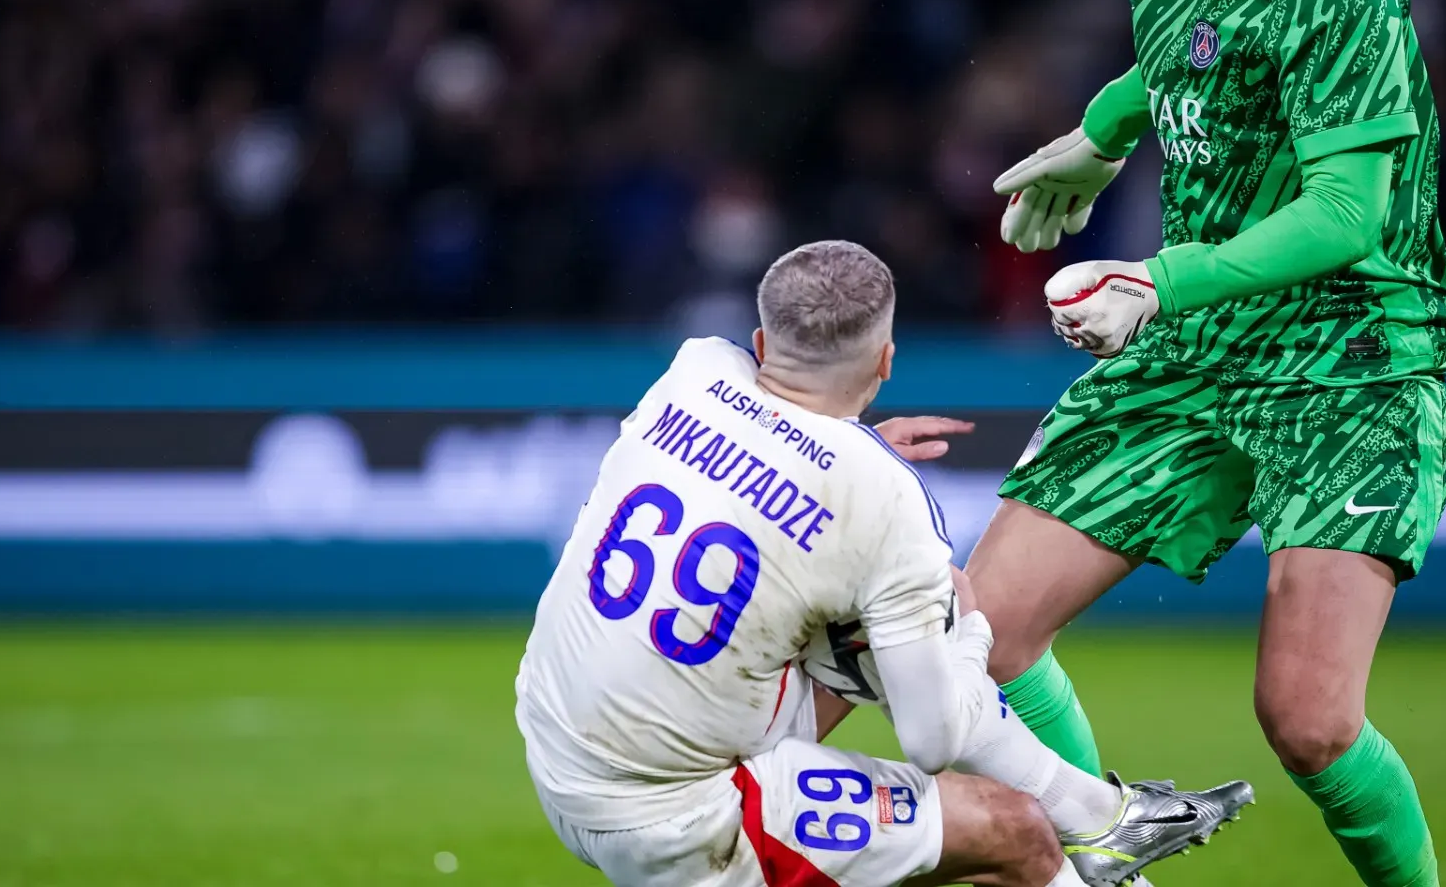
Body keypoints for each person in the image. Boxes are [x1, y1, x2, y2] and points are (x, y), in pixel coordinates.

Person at [974, 0, 1446, 887]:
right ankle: (1109, 867)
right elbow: (1192, 48)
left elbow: (1346, 214)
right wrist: (1108, 128)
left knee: (1307, 720)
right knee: (978, 636)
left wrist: (1156, 281)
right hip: (1202, 341)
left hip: (1351, 353)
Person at [517, 241, 1251, 887]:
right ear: (887, 360)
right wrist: (971, 641)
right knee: (1017, 831)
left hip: (556, 751)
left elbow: (776, 445)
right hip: (681, 816)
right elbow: (931, 742)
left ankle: (1103, 817)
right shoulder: (882, 499)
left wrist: (854, 455)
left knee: (865, 632)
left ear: (760, 340)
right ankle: (1099, 820)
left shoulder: (694, 368)